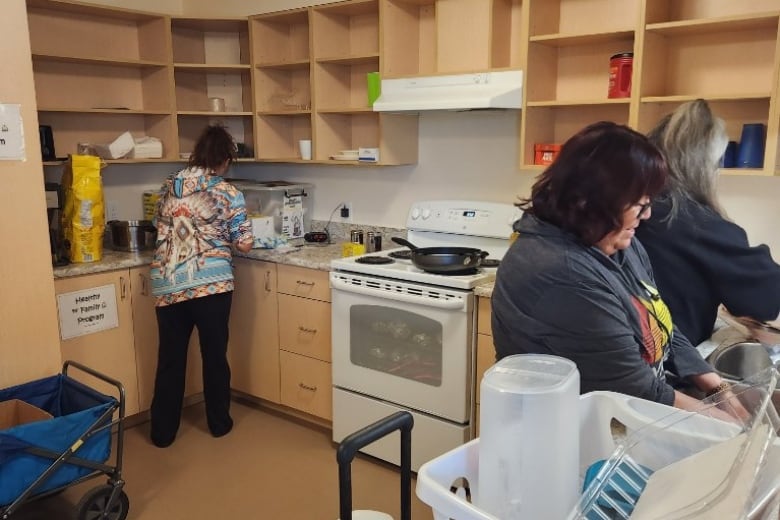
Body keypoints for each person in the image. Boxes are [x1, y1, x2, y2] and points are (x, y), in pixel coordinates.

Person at [491, 121, 738, 413]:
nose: (646, 215)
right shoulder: (561, 273)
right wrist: (732, 426)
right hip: (561, 431)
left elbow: (662, 325)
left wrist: (721, 390)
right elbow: (636, 388)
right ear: (591, 202)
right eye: (638, 205)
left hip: (617, 416)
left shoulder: (618, 242)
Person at [636, 99, 780, 346]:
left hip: (620, 354)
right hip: (668, 362)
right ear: (706, 166)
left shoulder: (630, 208)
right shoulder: (696, 223)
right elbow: (766, 301)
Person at [149, 124, 254, 448]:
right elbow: (245, 243)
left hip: (169, 282)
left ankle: (162, 433)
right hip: (211, 285)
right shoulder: (227, 192)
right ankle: (219, 424)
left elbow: (157, 224)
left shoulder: (170, 184)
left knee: (170, 358)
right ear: (224, 159)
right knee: (214, 355)